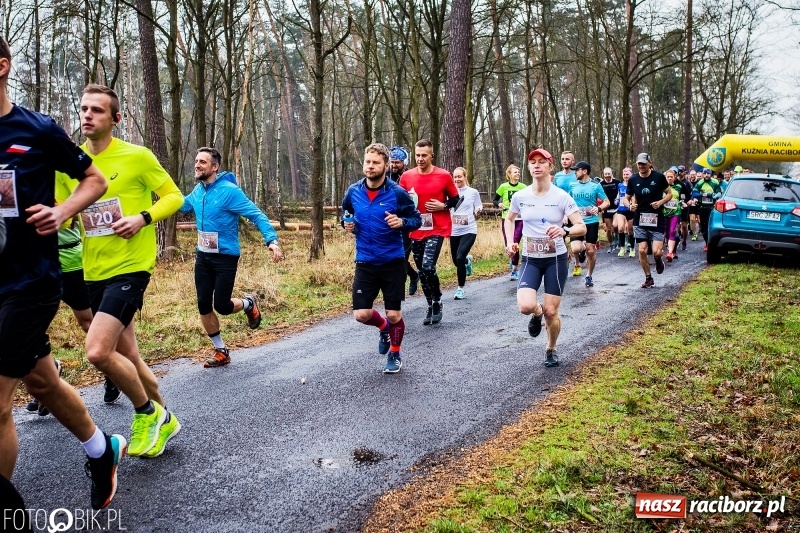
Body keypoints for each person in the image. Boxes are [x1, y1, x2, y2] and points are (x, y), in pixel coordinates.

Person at [0, 38, 125, 510]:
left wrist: (62, 210)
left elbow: (95, 179)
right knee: (42, 381)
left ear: (3, 66)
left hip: (30, 282)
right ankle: (101, 450)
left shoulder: (37, 130)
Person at [58, 83, 184, 459]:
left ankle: (148, 414)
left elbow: (175, 196)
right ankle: (165, 419)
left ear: (115, 119)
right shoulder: (71, 164)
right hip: (93, 269)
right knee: (128, 354)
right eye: (83, 109)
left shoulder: (138, 156)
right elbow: (63, 213)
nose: (87, 115)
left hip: (131, 268)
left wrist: (142, 218)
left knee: (97, 351)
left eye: (97, 110)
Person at [180, 147, 283, 368]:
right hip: (203, 257)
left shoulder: (230, 191)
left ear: (214, 167)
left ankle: (248, 303)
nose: (197, 165)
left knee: (223, 306)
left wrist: (272, 241)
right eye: (196, 161)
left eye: (203, 162)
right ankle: (221, 351)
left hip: (225, 257)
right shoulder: (198, 192)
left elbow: (256, 214)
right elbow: (181, 204)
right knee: (203, 304)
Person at [341, 143, 421, 373]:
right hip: (365, 261)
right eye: (368, 162)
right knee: (361, 314)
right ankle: (383, 328)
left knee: (394, 314)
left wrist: (402, 222)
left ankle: (395, 353)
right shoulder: (353, 191)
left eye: (376, 162)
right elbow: (346, 213)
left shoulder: (397, 193)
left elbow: (416, 219)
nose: (370, 166)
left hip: (393, 262)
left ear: (386, 166)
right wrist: (346, 223)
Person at [504, 148, 586, 367]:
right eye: (533, 162)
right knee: (525, 306)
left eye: (542, 162)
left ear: (551, 167)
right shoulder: (520, 196)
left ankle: (551, 348)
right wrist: (510, 240)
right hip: (531, 258)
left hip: (555, 259)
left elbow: (581, 226)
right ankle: (536, 313)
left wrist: (565, 231)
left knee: (552, 311)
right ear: (529, 167)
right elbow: (509, 219)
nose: (537, 165)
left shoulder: (561, 197)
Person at [398, 139, 459, 325]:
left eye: (424, 155)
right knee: (422, 271)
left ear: (431, 155)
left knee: (427, 266)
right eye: (417, 155)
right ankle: (430, 304)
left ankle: (438, 300)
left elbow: (456, 199)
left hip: (438, 228)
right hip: (416, 228)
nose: (420, 159)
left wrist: (443, 205)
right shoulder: (407, 177)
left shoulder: (443, 175)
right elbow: (399, 201)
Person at [623, 153, 672, 288]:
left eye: (644, 163)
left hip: (656, 219)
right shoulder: (633, 179)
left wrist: (660, 202)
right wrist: (630, 206)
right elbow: (625, 198)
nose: (641, 166)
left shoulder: (659, 177)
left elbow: (670, 193)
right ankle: (648, 277)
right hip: (640, 218)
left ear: (650, 163)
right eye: (639, 164)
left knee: (656, 251)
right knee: (642, 250)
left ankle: (658, 260)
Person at [568, 161, 609, 286]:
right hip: (577, 222)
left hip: (591, 221)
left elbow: (607, 201)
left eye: (577, 170)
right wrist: (565, 216)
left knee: (591, 252)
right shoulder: (572, 185)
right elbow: (567, 202)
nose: (575, 172)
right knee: (575, 248)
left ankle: (589, 275)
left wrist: (599, 208)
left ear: (584, 171)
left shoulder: (595, 186)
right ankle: (583, 247)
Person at [387, 146, 419, 295]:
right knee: (395, 257)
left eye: (397, 162)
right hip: (390, 221)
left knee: (402, 256)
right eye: (392, 162)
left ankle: (397, 294)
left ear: (404, 163)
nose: (394, 165)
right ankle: (413, 275)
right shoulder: (386, 176)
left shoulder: (411, 176)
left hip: (406, 221)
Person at [449, 167, 483, 300]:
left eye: (459, 176)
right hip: (454, 230)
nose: (457, 179)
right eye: (455, 177)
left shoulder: (473, 192)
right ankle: (467, 261)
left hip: (469, 229)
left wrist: (478, 210)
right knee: (456, 261)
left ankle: (460, 289)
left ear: (465, 177)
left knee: (459, 257)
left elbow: (478, 205)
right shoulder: (450, 192)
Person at [493, 164, 526, 280]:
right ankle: (513, 260)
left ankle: (514, 270)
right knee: (509, 243)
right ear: (509, 174)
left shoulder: (523, 187)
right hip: (506, 218)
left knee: (515, 242)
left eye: (518, 172)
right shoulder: (503, 187)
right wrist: (499, 204)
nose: (517, 173)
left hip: (520, 219)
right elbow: (495, 200)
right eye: (515, 172)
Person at [690, 168, 723, 252]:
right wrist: (704, 194)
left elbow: (719, 194)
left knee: (710, 226)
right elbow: (694, 193)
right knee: (703, 227)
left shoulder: (715, 182)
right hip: (702, 207)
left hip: (712, 208)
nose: (706, 175)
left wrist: (709, 195)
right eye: (705, 174)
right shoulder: (700, 182)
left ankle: (710, 244)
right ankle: (706, 243)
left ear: (710, 174)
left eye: (708, 174)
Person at [662, 167, 686, 262]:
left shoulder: (680, 186)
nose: (669, 178)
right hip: (664, 212)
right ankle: (670, 248)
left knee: (672, 231)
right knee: (666, 233)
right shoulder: (661, 187)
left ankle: (670, 253)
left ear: (675, 177)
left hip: (676, 212)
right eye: (667, 177)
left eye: (671, 177)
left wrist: (684, 201)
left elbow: (686, 195)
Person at [613, 167, 636, 257]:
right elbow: (619, 195)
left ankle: (632, 249)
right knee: (620, 228)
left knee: (630, 231)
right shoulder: (619, 185)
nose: (626, 176)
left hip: (630, 210)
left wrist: (633, 205)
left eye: (627, 174)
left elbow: (635, 197)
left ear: (631, 175)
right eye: (624, 174)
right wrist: (616, 200)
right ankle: (622, 248)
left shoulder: (633, 185)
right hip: (621, 209)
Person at [599, 167, 621, 253]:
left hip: (616, 208)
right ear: (603, 175)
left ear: (611, 174)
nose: (607, 175)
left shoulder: (617, 182)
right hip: (606, 209)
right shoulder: (601, 184)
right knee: (608, 229)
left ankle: (617, 237)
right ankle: (611, 244)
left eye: (609, 174)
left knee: (615, 225)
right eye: (606, 174)